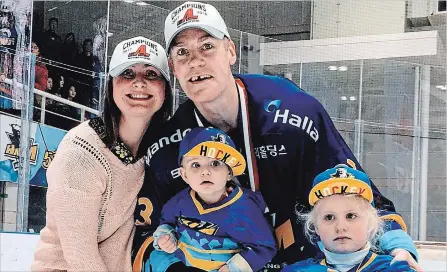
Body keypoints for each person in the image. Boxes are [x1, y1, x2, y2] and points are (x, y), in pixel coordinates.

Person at [132, 2, 419, 271]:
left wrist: (397, 244)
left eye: (207, 46)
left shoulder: (294, 110)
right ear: (173, 67)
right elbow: (150, 230)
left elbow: (352, 187)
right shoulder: (170, 144)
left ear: (231, 51)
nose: (195, 61)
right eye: (182, 53)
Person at [31, 36, 172, 271]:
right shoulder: (82, 151)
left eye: (151, 74)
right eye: (127, 73)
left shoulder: (154, 149)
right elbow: (80, 256)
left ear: (165, 90)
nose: (139, 83)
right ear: (111, 85)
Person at [149, 127, 276, 272]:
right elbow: (166, 222)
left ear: (229, 173)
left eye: (215, 163)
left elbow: (265, 247)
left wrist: (235, 268)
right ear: (184, 175)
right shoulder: (179, 202)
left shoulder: (245, 208)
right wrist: (165, 236)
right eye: (196, 165)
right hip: (183, 264)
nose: (205, 171)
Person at [282, 165, 417, 272]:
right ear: (316, 227)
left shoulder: (392, 268)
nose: (340, 227)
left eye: (351, 216)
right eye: (329, 217)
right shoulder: (299, 270)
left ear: (371, 223)